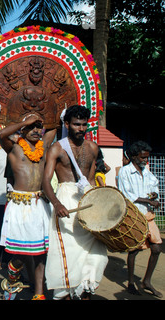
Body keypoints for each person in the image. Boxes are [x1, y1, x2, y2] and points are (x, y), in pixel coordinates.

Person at [42, 105, 108, 300]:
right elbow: (45, 181)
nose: (81, 128)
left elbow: (90, 179)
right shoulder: (57, 148)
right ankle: (66, 294)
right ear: (67, 124)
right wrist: (56, 203)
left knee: (96, 256)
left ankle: (85, 291)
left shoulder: (93, 148)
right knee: (68, 257)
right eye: (77, 124)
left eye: (84, 125)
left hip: (87, 203)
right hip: (65, 202)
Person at [0, 114, 56, 300]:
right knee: (21, 254)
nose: (36, 130)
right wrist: (24, 122)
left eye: (39, 127)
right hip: (20, 206)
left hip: (39, 204)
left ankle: (39, 294)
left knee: (40, 254)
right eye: (32, 127)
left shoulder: (44, 148)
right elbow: (0, 134)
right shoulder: (13, 148)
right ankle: (12, 280)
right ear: (23, 130)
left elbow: (55, 126)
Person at [117, 141, 162, 298]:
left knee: (156, 248)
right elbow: (127, 195)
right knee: (134, 250)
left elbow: (154, 187)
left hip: (148, 216)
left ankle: (146, 281)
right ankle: (130, 283)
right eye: (143, 157)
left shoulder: (147, 172)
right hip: (133, 216)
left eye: (147, 158)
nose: (145, 160)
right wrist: (149, 201)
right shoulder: (125, 172)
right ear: (134, 156)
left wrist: (154, 195)